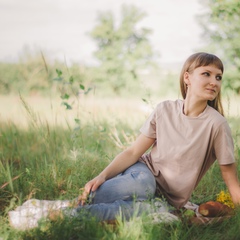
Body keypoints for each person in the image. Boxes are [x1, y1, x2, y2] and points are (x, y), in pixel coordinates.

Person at [8, 52, 240, 229]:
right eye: (206, 74)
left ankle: (61, 213)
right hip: (143, 174)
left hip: (168, 200)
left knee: (136, 211)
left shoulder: (216, 124)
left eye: (219, 77)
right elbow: (132, 153)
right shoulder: (165, 110)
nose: (214, 82)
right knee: (143, 186)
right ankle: (77, 202)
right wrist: (102, 176)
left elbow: (229, 176)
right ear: (187, 78)